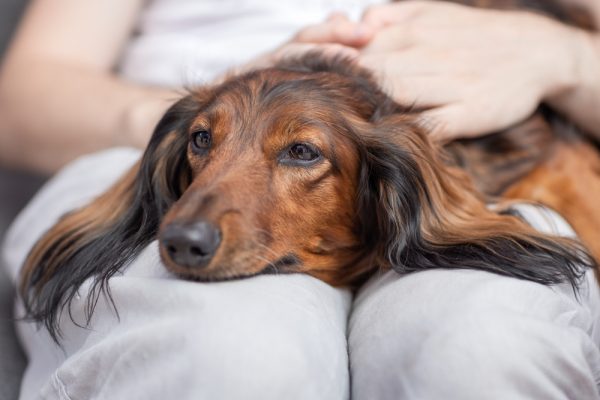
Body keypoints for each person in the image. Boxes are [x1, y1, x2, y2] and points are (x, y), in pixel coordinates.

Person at [2, 0, 600, 399]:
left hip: (449, 183)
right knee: (232, 352)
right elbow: (18, 100)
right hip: (146, 163)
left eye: (299, 153)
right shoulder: (183, 150)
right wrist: (179, 120)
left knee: (480, 345)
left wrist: (565, 59)